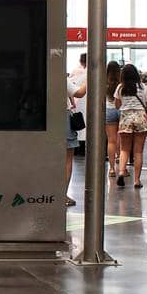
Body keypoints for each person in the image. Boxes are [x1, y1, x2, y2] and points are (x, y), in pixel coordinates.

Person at [114, 63, 147, 188]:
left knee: (124, 149)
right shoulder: (142, 87)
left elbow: (117, 105)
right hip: (140, 117)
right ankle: (137, 181)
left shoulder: (120, 88)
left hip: (125, 118)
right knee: (138, 151)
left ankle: (122, 172)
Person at [66, 69, 87, 205]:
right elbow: (80, 93)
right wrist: (88, 78)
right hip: (63, 120)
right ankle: (62, 194)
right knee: (67, 160)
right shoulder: (60, 79)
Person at [104, 60, 121, 180]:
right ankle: (122, 164)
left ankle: (111, 168)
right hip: (121, 110)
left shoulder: (103, 81)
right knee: (122, 138)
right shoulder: (121, 82)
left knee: (111, 141)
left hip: (109, 111)